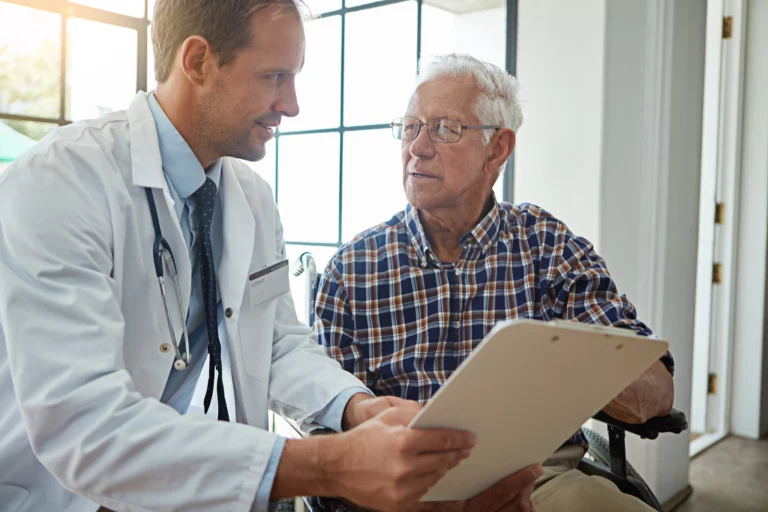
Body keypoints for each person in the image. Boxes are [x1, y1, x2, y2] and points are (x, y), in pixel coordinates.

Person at [0, 4, 529, 512]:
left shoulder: (248, 197)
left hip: (156, 487)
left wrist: (357, 408)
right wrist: (327, 465)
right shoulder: (61, 182)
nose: (292, 104)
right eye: (274, 76)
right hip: (44, 493)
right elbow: (83, 425)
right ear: (198, 62)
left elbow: (276, 343)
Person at [314, 54, 675, 512]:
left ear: (498, 149)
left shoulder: (547, 246)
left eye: (445, 128)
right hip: (405, 493)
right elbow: (329, 429)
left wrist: (564, 365)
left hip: (539, 479)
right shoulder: (352, 269)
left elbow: (656, 395)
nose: (417, 147)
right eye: (409, 127)